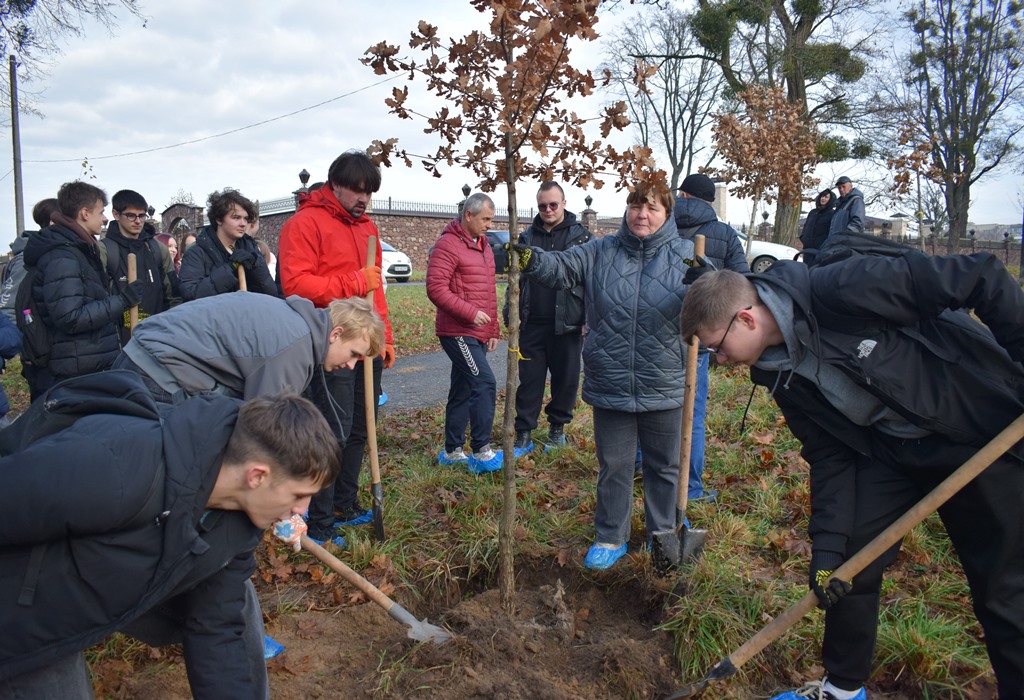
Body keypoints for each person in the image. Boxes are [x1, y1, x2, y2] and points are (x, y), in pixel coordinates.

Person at [679, 253, 1024, 700]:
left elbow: (981, 275)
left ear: (746, 319)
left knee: (1003, 589)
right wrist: (827, 546)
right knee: (847, 568)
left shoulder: (845, 288)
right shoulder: (773, 371)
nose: (719, 361)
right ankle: (842, 689)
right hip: (891, 450)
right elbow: (830, 453)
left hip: (973, 431)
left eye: (717, 348)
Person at [0, 379, 340, 699]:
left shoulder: (238, 523)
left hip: (86, 595)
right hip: (21, 611)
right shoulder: (118, 465)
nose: (301, 510)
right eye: (299, 494)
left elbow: (216, 629)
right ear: (257, 476)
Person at [516, 182, 699, 570]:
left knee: (664, 466)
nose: (641, 215)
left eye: (651, 208)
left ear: (667, 214)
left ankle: (662, 534)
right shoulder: (599, 251)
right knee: (614, 465)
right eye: (635, 206)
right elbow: (561, 268)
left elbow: (716, 302)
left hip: (664, 379)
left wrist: (707, 281)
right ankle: (611, 535)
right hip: (610, 378)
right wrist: (531, 259)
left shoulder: (687, 255)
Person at [278, 150, 395, 543]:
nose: (364, 199)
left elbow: (376, 292)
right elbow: (296, 286)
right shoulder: (304, 224)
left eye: (369, 192)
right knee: (332, 432)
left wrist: (383, 336)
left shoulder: (368, 229)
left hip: (365, 343)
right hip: (332, 344)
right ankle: (321, 522)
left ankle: (346, 504)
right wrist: (353, 281)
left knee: (361, 427)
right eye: (357, 191)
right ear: (335, 185)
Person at [114, 294, 383, 404]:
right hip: (155, 372)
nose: (351, 366)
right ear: (336, 334)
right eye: (354, 354)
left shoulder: (296, 322)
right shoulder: (295, 349)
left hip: (144, 355)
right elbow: (260, 429)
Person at [673, 172, 750, 503]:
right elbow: (744, 285)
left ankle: (642, 465)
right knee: (692, 413)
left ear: (683, 195)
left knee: (649, 405)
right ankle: (690, 488)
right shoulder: (725, 234)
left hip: (656, 333)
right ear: (710, 201)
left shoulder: (661, 226)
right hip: (699, 336)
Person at [21, 181, 141, 394]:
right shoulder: (63, 257)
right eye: (101, 212)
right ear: (85, 213)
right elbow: (70, 317)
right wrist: (122, 301)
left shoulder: (78, 249)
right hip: (76, 373)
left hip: (86, 365)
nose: (104, 219)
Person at [506, 182, 590, 455]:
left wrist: (590, 318)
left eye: (553, 204)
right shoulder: (526, 238)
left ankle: (557, 430)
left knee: (566, 380)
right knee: (529, 380)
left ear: (564, 203)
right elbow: (514, 280)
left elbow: (592, 281)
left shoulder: (583, 239)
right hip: (532, 322)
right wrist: (510, 314)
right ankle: (524, 432)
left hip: (568, 323)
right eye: (542, 206)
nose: (548, 210)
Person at [427, 192, 504, 474]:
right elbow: (435, 288)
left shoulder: (484, 246)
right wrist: (470, 313)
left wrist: (493, 328)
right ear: (468, 215)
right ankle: (481, 450)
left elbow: (488, 292)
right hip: (457, 331)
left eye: (491, 219)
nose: (489, 225)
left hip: (479, 332)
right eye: (485, 219)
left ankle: (452, 450)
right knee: (484, 382)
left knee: (463, 386)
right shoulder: (448, 244)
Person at [0, 198, 58, 399]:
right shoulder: (26, 259)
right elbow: (8, 308)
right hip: (40, 357)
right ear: (53, 222)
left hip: (59, 353)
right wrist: (27, 348)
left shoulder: (60, 253)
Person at [102, 189, 174, 344]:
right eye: (131, 215)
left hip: (157, 338)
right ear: (116, 214)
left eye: (142, 215)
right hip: (118, 341)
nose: (138, 221)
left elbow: (173, 295)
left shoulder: (157, 249)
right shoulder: (104, 251)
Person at [179, 189, 279, 300]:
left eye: (245, 219)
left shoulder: (250, 248)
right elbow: (191, 295)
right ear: (219, 219)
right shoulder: (196, 253)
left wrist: (255, 268)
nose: (243, 224)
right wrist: (230, 268)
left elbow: (272, 294)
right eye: (236, 218)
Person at [798, 189, 837, 266]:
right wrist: (803, 238)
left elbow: (832, 232)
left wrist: (823, 243)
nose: (823, 198)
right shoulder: (813, 212)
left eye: (826, 197)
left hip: (821, 249)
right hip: (807, 248)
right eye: (822, 196)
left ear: (830, 199)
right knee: (806, 268)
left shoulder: (833, 214)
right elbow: (806, 226)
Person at [154, 232, 182, 299]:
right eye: (169, 246)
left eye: (175, 247)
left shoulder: (179, 268)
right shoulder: (155, 271)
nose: (174, 250)